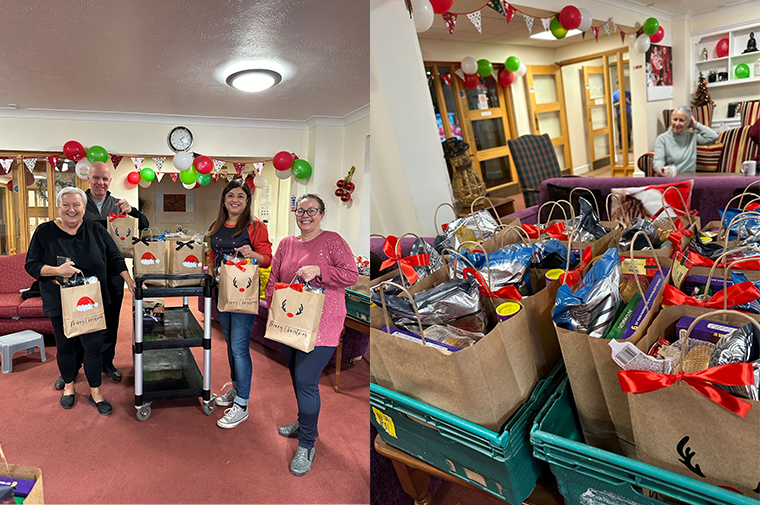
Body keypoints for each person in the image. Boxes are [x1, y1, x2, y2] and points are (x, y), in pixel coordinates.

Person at [265, 194, 359, 476]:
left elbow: (351, 275)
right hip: (290, 321)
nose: (305, 215)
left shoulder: (333, 240)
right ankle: (304, 424)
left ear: (322, 213)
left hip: (323, 324)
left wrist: (320, 270)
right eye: (301, 210)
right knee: (296, 377)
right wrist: (272, 304)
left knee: (306, 381)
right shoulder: (286, 244)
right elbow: (274, 278)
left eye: (312, 210)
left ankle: (307, 443)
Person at [25, 187, 136, 415]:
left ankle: (96, 392)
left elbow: (115, 257)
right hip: (60, 299)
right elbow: (31, 264)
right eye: (66, 204)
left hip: (91, 300)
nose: (71, 209)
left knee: (93, 347)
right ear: (59, 207)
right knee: (65, 345)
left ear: (84, 208)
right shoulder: (44, 231)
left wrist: (130, 281)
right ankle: (69, 387)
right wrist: (57, 270)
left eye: (77, 205)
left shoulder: (95, 229)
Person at [52, 161, 149, 390]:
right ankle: (72, 369)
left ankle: (107, 362)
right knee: (79, 319)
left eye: (105, 179)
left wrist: (132, 211)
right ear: (89, 179)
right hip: (80, 273)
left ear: (110, 181)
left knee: (110, 319)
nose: (100, 183)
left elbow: (143, 226)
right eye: (96, 178)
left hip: (113, 271)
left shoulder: (118, 204)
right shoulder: (77, 203)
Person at [207, 178, 272, 429]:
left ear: (247, 201)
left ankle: (242, 404)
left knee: (239, 347)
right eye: (231, 195)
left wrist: (252, 254)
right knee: (230, 345)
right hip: (222, 292)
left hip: (244, 293)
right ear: (224, 199)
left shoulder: (256, 227)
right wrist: (212, 267)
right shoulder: (217, 224)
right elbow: (213, 253)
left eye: (241, 197)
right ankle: (235, 390)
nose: (235, 200)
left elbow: (267, 259)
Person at [654, 105, 719, 175]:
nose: (677, 123)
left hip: (689, 177)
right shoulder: (662, 138)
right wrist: (659, 168)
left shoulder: (693, 136)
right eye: (675, 119)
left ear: (688, 122)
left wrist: (695, 124)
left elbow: (713, 136)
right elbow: (658, 160)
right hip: (670, 177)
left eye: (681, 120)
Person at [612, 80, 632, 150]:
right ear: (617, 85)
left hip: (628, 113)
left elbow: (631, 102)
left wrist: (627, 101)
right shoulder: (614, 94)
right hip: (620, 114)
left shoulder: (627, 92)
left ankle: (629, 144)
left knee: (629, 129)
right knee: (620, 130)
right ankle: (621, 145)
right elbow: (613, 105)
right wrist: (620, 102)